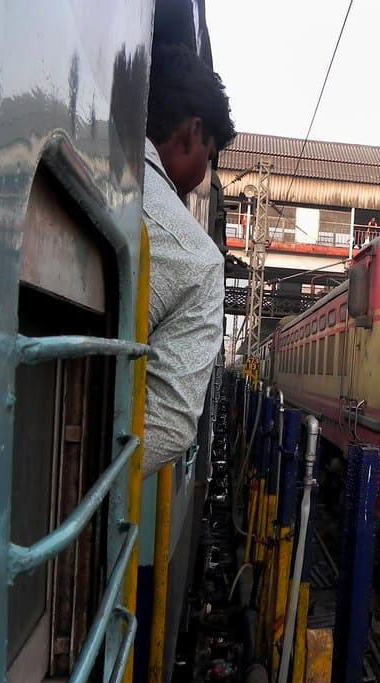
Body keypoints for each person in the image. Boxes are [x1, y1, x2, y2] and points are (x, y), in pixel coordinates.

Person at [142, 44, 236, 476]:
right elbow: (166, 429)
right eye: (210, 156)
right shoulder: (196, 259)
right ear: (190, 133)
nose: (203, 170)